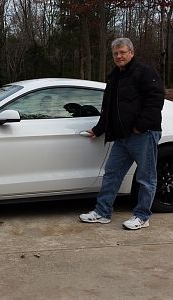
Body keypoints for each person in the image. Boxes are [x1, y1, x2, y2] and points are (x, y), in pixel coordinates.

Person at [79, 37, 165, 230]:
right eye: (116, 53)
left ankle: (142, 216)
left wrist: (140, 126)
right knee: (112, 174)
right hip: (121, 137)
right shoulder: (115, 76)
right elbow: (108, 107)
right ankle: (102, 212)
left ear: (131, 53)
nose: (119, 56)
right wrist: (99, 129)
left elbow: (155, 99)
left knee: (145, 178)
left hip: (143, 135)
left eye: (123, 52)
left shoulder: (144, 72)